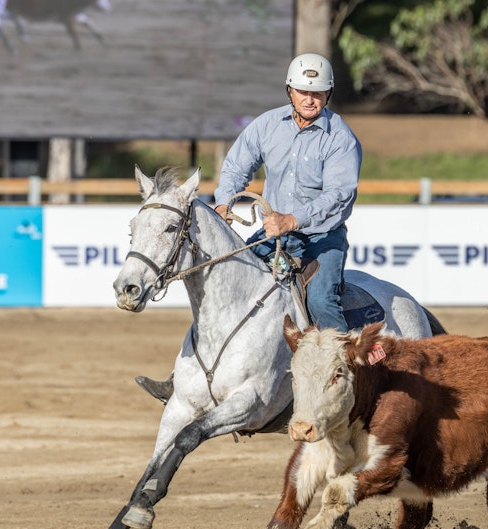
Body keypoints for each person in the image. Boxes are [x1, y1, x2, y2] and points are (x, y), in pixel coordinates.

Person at [136, 53, 363, 404]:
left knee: (321, 300)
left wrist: (292, 219)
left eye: (318, 93)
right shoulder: (267, 125)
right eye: (303, 90)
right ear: (289, 90)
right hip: (274, 237)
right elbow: (237, 165)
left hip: (322, 238)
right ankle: (181, 377)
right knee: (222, 287)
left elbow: (339, 195)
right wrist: (225, 200)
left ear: (328, 95)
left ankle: (356, 381)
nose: (309, 99)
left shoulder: (341, 139)